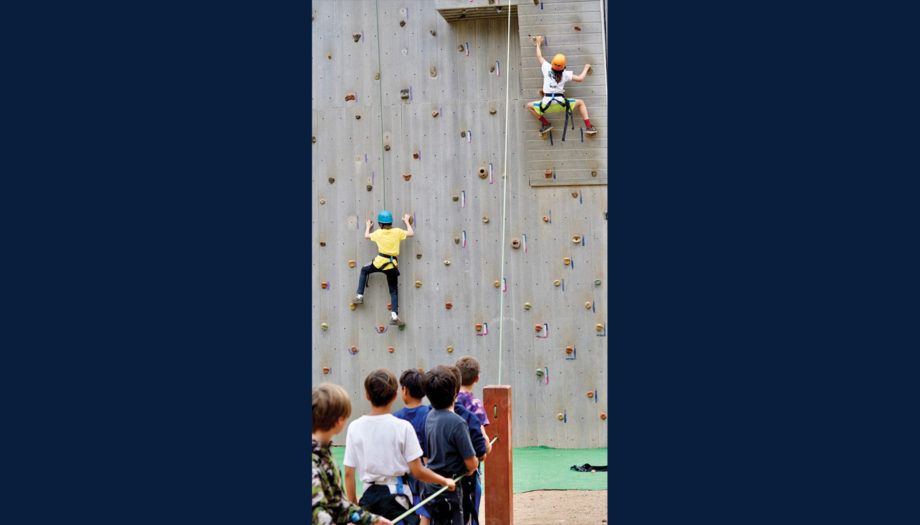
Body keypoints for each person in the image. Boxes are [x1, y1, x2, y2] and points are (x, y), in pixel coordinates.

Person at [344, 369, 455, 525]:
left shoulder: (354, 427)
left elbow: (349, 473)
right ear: (395, 395)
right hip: (398, 498)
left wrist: (354, 504)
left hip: (369, 497)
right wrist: (444, 481)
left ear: (367, 395)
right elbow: (418, 471)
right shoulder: (403, 427)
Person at [312, 383, 393, 525]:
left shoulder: (325, 453)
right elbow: (315, 511)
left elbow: (338, 505)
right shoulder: (313, 459)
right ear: (339, 420)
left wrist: (373, 520)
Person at [420, 366, 479, 525]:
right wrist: (474, 465)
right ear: (455, 392)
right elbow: (471, 463)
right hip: (450, 489)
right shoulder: (458, 422)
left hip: (432, 486)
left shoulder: (430, 415)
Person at [524, 35, 597, 136]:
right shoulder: (566, 74)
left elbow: (539, 56)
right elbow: (580, 79)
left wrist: (538, 43)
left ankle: (546, 124)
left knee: (529, 106)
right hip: (562, 104)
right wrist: (586, 68)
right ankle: (589, 127)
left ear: (553, 63)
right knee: (581, 103)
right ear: (564, 66)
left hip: (546, 105)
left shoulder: (547, 67)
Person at [353, 210, 414, 325]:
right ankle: (394, 316)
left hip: (379, 263)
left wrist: (368, 227)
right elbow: (411, 233)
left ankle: (359, 296)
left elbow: (366, 236)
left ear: (380, 224)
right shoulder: (397, 232)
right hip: (391, 265)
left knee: (364, 270)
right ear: (391, 222)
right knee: (393, 291)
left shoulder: (378, 233)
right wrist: (406, 221)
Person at [447, 366, 488, 525]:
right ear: (476, 378)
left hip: (444, 471)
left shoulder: (433, 413)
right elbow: (482, 438)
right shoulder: (474, 405)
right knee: (469, 507)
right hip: (468, 466)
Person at [393, 369, 434, 525]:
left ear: (404, 390)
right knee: (425, 510)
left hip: (402, 475)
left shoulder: (395, 418)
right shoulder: (430, 414)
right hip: (425, 470)